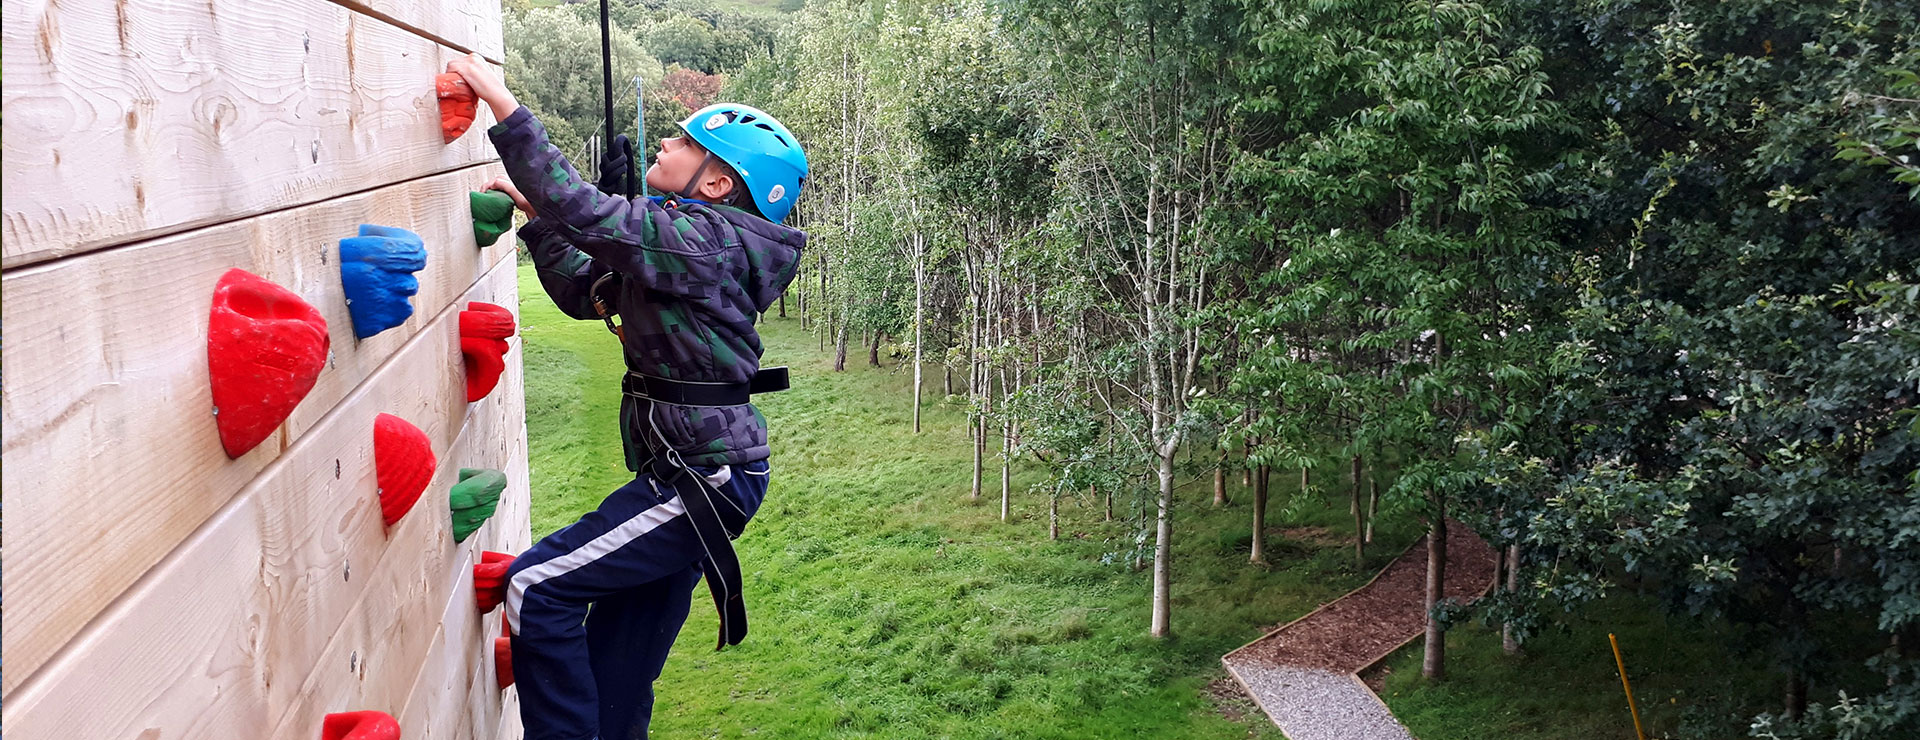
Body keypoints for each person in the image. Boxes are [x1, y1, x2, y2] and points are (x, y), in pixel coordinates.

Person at [444, 53, 808, 740]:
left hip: (703, 478)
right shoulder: (694, 246)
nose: (665, 144)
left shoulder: (705, 243)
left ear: (719, 182)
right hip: (691, 473)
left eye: (684, 143)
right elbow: (588, 295)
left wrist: (506, 108)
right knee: (616, 676)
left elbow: (595, 214)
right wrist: (552, 223)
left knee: (535, 587)